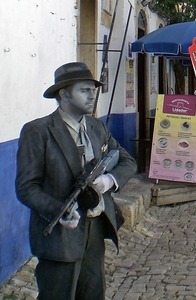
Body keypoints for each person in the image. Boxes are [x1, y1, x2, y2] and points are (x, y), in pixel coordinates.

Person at [16, 62, 137, 300]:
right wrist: (60, 211)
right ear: (64, 94)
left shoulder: (96, 126)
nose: (93, 95)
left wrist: (108, 180)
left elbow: (127, 161)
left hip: (95, 229)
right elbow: (26, 188)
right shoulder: (38, 131)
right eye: (84, 90)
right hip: (61, 235)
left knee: (93, 294)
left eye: (94, 89)